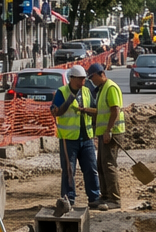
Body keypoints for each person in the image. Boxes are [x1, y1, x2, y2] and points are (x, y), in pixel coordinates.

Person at [50, 66, 102, 210]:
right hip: (69, 139)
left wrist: (86, 110)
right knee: (69, 170)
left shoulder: (86, 91)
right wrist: (68, 102)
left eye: (84, 79)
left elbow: (95, 110)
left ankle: (94, 197)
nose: (83, 81)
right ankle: (68, 199)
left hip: (86, 138)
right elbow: (56, 112)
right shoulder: (62, 92)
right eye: (80, 79)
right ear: (72, 79)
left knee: (91, 168)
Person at [90, 62, 125, 207]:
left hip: (112, 133)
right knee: (101, 165)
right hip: (105, 133)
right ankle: (105, 196)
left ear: (101, 74)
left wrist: (108, 130)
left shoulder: (110, 87)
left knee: (109, 164)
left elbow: (115, 110)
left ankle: (115, 199)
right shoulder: (102, 89)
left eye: (93, 77)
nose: (92, 81)